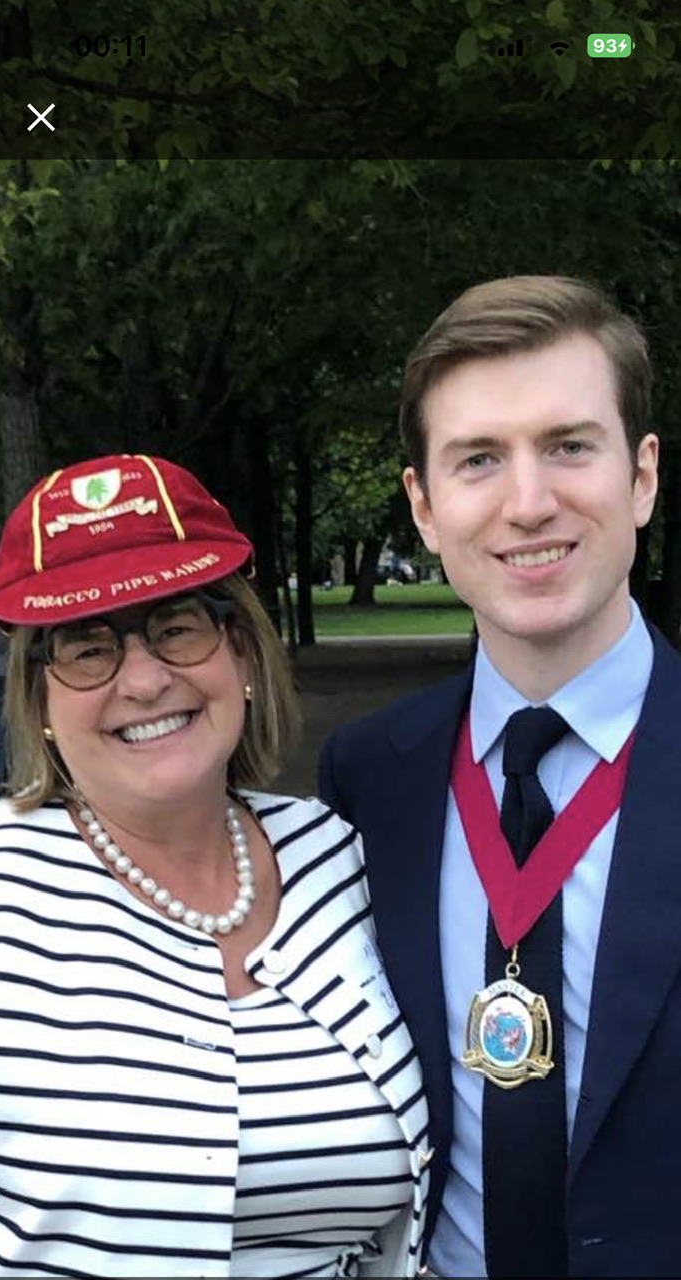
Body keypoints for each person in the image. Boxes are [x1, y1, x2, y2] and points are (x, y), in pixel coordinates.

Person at [319, 275, 680, 1278]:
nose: (528, 502)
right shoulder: (365, 777)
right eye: (479, 459)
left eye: (569, 445)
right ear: (424, 507)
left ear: (642, 476)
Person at [0, 452, 430, 1279]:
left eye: (178, 624)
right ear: (40, 699)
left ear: (240, 652)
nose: (147, 679)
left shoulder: (339, 857)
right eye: (87, 648)